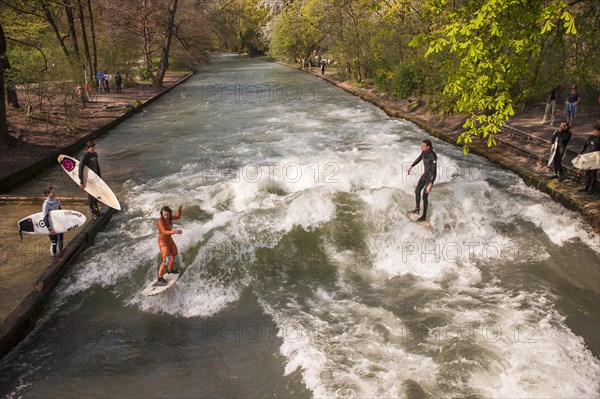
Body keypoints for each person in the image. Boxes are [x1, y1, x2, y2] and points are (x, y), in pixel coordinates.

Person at [407, 139, 437, 222]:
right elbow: (419, 158)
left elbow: (434, 170)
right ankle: (417, 209)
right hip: (425, 174)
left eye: (423, 146)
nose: (421, 147)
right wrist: (411, 166)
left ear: (428, 147)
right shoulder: (424, 152)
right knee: (417, 191)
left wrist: (431, 182)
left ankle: (424, 216)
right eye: (422, 145)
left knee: (424, 195)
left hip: (431, 176)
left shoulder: (433, 155)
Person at [154, 205, 183, 286]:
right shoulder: (160, 221)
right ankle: (160, 278)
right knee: (166, 260)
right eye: (164, 215)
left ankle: (170, 270)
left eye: (168, 214)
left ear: (169, 213)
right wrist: (174, 231)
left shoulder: (170, 218)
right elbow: (164, 232)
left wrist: (179, 209)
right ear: (162, 215)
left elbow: (177, 216)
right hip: (163, 242)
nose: (166, 216)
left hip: (170, 240)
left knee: (175, 257)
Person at [79, 140, 102, 219]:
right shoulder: (85, 156)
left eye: (94, 147)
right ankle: (93, 213)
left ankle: (97, 210)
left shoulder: (95, 154)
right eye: (92, 147)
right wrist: (81, 181)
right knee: (91, 195)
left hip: (95, 177)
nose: (94, 148)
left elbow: (97, 165)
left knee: (96, 194)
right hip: (88, 178)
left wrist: (100, 177)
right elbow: (80, 168)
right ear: (88, 148)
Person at [575, 125, 600, 195]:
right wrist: (580, 153)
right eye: (593, 130)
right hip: (589, 157)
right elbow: (585, 145)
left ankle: (590, 189)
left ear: (598, 131)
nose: (593, 132)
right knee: (587, 172)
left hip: (596, 158)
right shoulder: (590, 137)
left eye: (595, 130)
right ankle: (586, 187)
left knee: (593, 173)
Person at [42, 186, 63, 258]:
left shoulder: (57, 201)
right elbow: (44, 218)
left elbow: (61, 212)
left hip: (58, 224)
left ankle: (60, 255)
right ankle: (53, 258)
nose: (54, 193)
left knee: (60, 241)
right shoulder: (46, 204)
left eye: (54, 192)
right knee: (54, 242)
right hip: (50, 225)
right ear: (47, 194)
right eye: (52, 192)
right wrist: (50, 229)